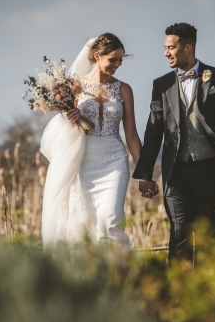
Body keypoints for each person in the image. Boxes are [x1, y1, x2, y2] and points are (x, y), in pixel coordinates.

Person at [133, 23, 215, 264]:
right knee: (179, 234)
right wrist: (144, 174)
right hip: (176, 172)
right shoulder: (161, 85)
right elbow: (154, 131)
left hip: (211, 170)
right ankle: (175, 295)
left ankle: (205, 295)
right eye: (165, 48)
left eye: (171, 48)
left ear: (187, 48)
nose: (166, 53)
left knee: (208, 235)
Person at [39, 33, 141, 248]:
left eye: (121, 60)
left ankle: (116, 274)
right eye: (113, 59)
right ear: (97, 56)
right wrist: (71, 120)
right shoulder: (74, 87)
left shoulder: (124, 89)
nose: (117, 64)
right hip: (84, 160)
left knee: (111, 218)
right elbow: (62, 133)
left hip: (114, 160)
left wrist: (144, 173)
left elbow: (131, 135)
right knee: (86, 222)